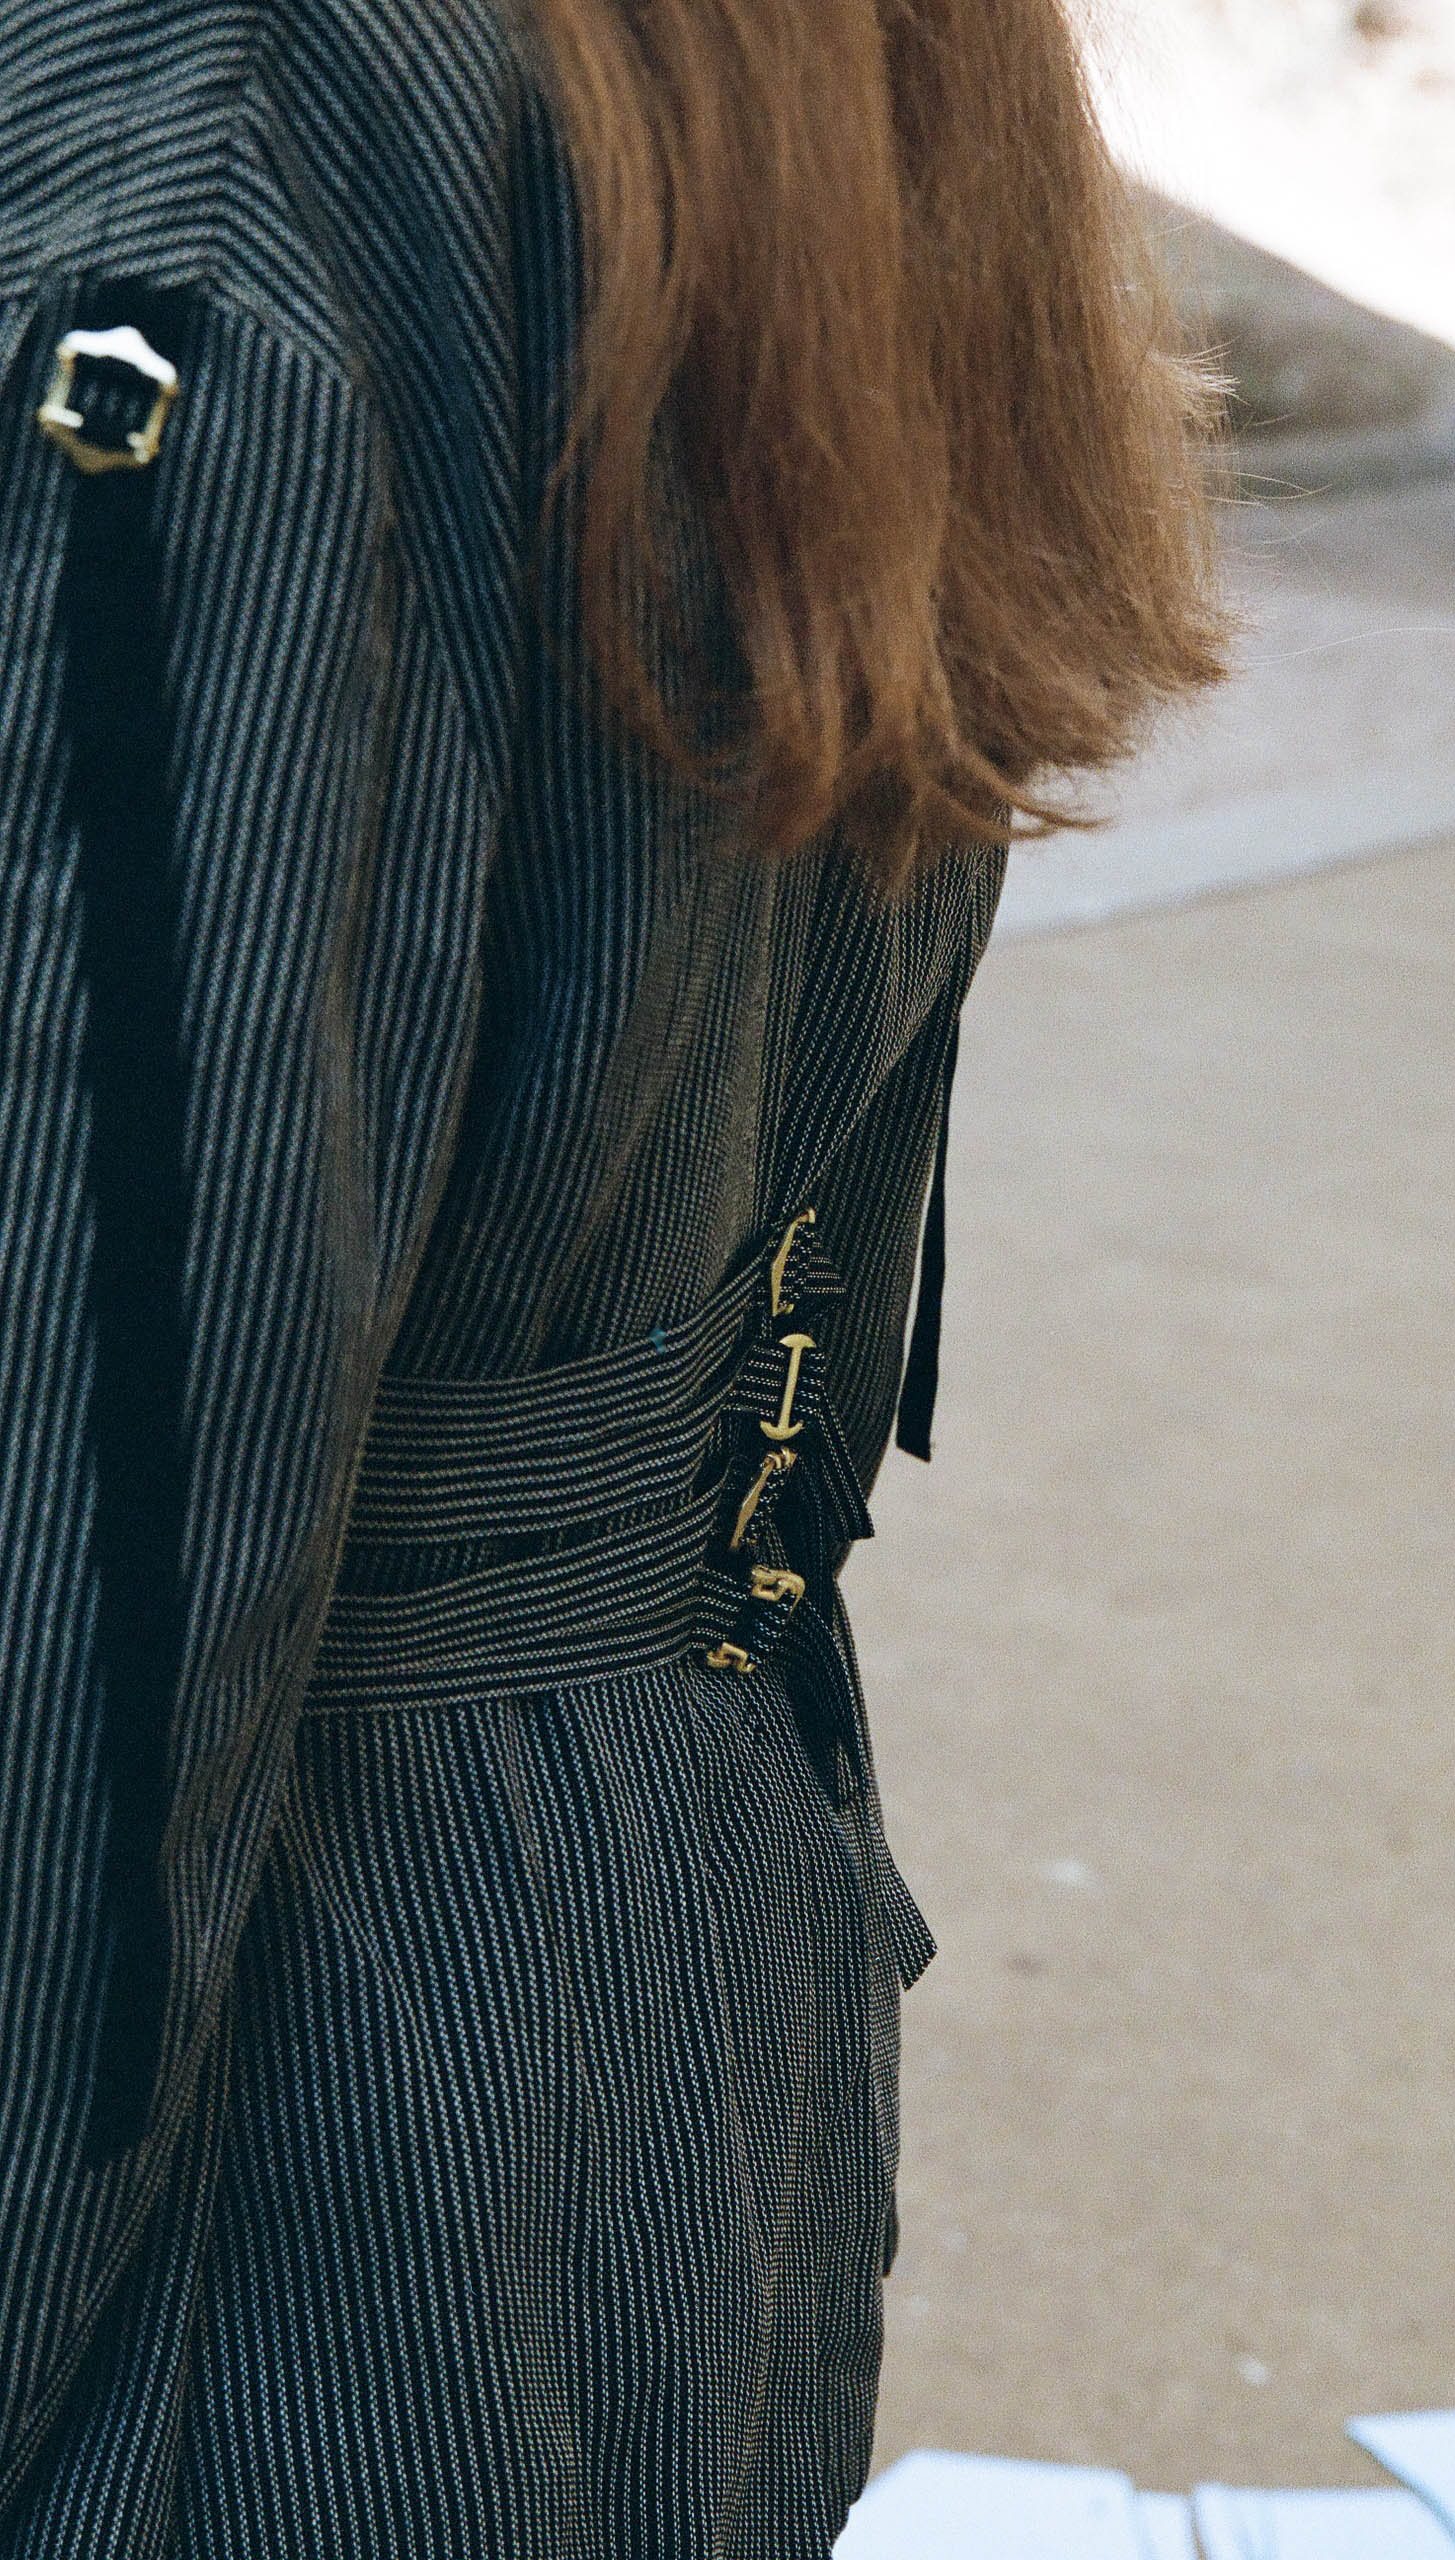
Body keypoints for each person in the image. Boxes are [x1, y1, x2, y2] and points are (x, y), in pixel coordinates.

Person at [0, 0, 1223, 2548]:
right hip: (659, 1931)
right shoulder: (771, 66)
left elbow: (66, 1567)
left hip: (268, 2137)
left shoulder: (210, 137)